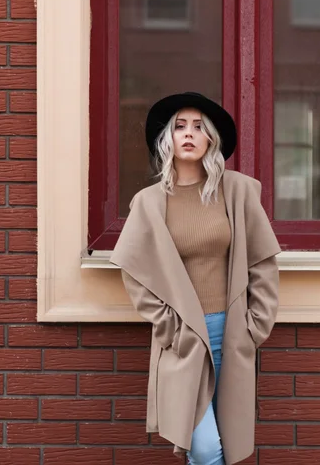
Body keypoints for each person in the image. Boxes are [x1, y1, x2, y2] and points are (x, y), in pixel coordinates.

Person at [110, 92, 280, 465]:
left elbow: (263, 264)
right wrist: (169, 328)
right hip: (185, 339)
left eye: (199, 127)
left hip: (234, 333)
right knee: (204, 448)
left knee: (229, 444)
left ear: (211, 140)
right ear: (166, 138)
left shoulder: (238, 191)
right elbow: (135, 275)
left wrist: (256, 325)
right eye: (179, 126)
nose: (188, 134)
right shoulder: (149, 202)